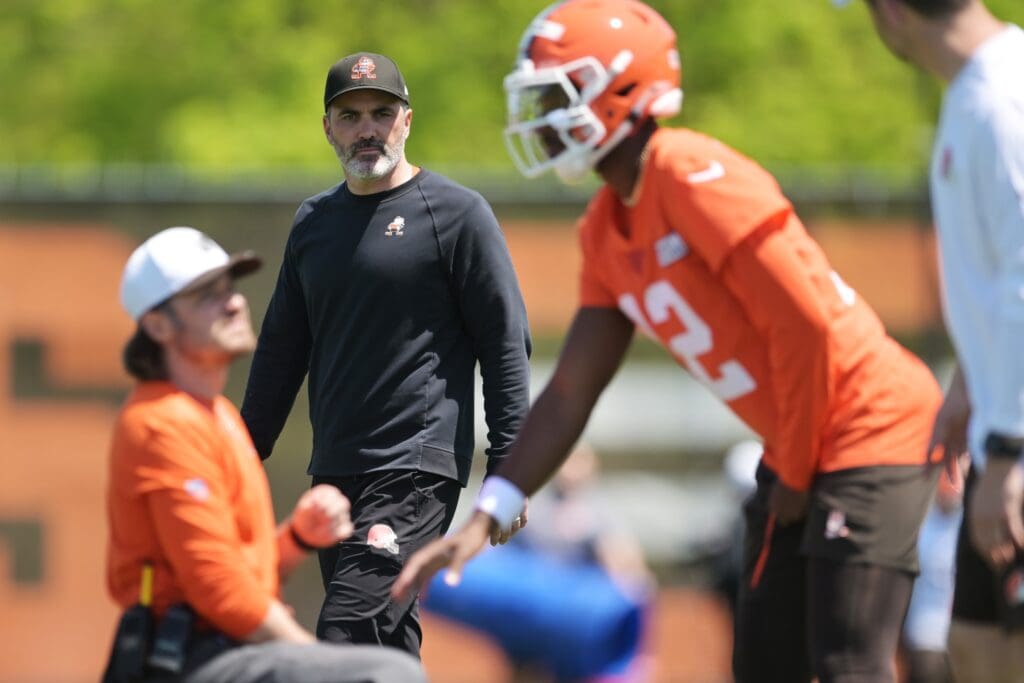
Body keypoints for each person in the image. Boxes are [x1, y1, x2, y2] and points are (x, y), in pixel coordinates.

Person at [393, 2, 944, 682]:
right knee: (764, 662)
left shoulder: (690, 173)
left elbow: (808, 331)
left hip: (870, 422)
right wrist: (485, 516)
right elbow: (571, 389)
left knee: (848, 660)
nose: (538, 116)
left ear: (622, 89)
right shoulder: (605, 228)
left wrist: (795, 472)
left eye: (556, 93)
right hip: (805, 442)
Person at [240, 52, 532, 657]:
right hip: (335, 472)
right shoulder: (313, 223)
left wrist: (509, 472)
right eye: (349, 116)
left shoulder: (457, 214)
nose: (366, 128)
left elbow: (504, 343)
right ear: (328, 128)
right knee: (384, 648)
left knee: (349, 632)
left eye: (381, 112)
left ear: (407, 121)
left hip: (414, 470)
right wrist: (237, 459)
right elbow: (279, 354)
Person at [104, 226, 425, 683]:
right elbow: (218, 591)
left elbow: (238, 572)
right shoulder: (160, 423)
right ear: (157, 325)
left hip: (223, 650)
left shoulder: (217, 416)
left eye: (229, 289)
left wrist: (297, 538)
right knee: (386, 674)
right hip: (184, 662)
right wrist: (314, 657)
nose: (234, 302)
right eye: (205, 296)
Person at [851, 0, 1024, 679]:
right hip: (1001, 426)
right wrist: (968, 384)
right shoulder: (974, 93)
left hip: (1015, 441)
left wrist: (1009, 453)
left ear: (892, 10)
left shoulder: (1001, 100)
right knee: (978, 647)